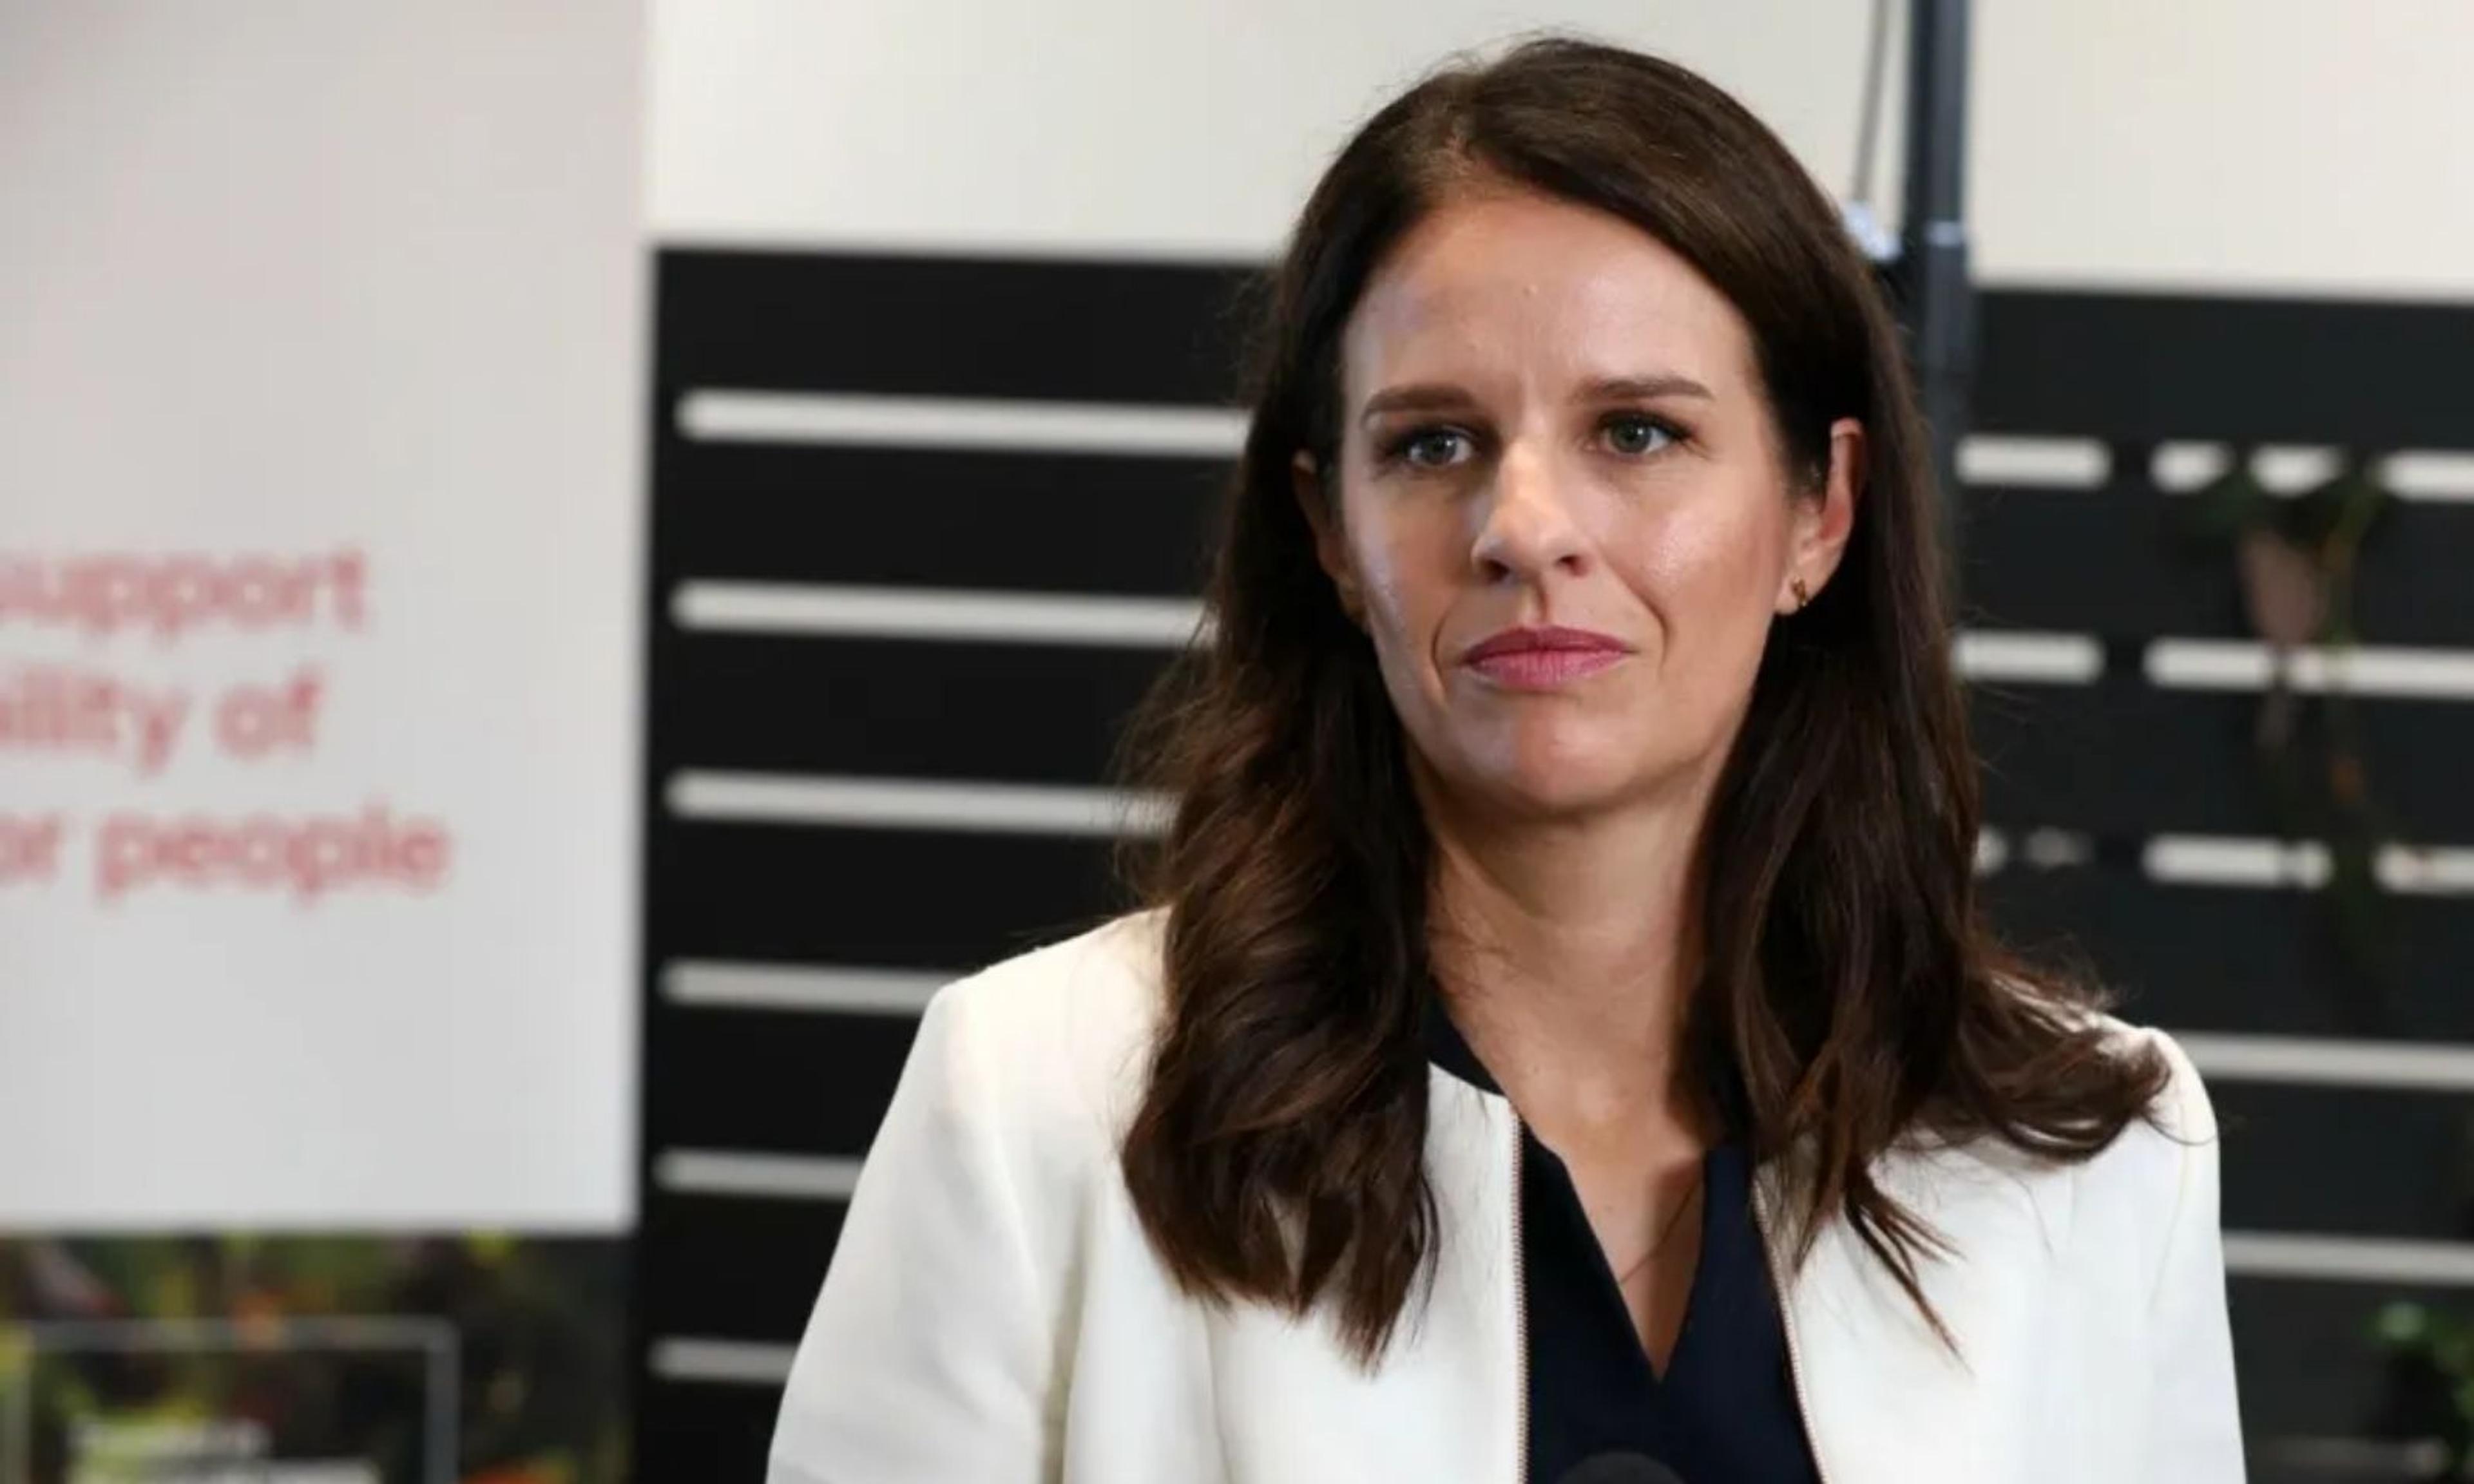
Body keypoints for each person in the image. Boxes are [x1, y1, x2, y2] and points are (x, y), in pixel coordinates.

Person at [767, 36, 2243, 1484]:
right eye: (1431, 445)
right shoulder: (1040, 1102)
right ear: (1329, 529)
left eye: (1638, 432)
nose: (1525, 528)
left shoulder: (2098, 1156)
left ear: (1820, 511)